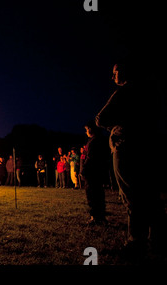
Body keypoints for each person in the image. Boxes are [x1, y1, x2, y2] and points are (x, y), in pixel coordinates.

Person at [96, 60, 167, 257]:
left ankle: (136, 242)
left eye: (115, 72)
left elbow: (101, 118)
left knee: (132, 195)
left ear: (126, 72)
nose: (113, 77)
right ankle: (157, 240)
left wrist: (117, 126)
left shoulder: (125, 92)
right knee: (151, 195)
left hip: (127, 147)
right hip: (151, 147)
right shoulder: (153, 91)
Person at [81, 121, 109, 225]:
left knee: (92, 194)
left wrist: (84, 169)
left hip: (92, 172)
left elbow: (90, 157)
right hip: (99, 171)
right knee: (99, 194)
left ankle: (95, 217)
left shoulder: (94, 142)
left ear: (91, 129)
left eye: (86, 129)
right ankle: (101, 216)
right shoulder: (101, 140)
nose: (86, 132)